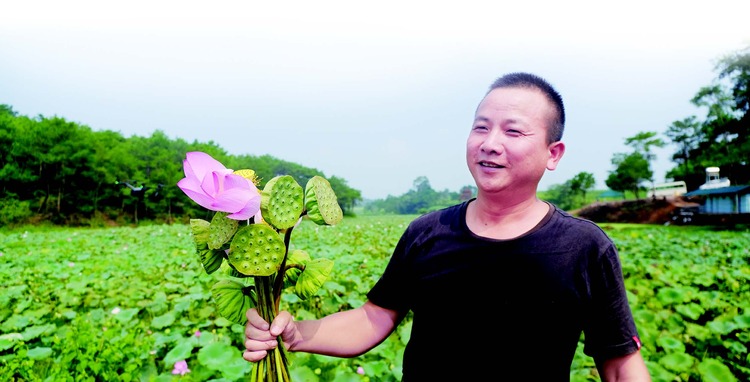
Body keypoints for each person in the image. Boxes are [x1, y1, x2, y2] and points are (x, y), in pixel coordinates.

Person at [242, 72, 652, 381]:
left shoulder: (584, 247)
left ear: (553, 152)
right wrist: (298, 333)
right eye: (481, 126)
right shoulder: (427, 233)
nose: (490, 142)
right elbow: (374, 317)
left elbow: (618, 362)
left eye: (512, 130)